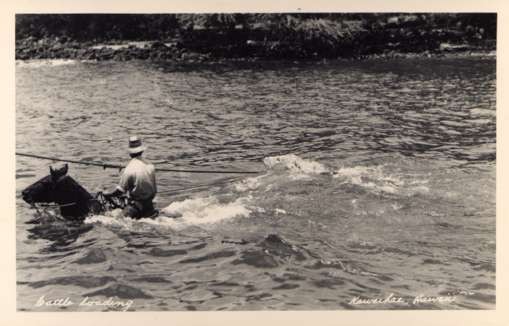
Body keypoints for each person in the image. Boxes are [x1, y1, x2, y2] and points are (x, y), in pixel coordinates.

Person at [103, 136, 157, 218]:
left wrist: (108, 194)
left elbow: (120, 191)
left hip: (136, 206)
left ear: (130, 153)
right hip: (149, 205)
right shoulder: (150, 165)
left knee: (116, 220)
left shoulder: (129, 169)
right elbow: (154, 190)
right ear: (142, 151)